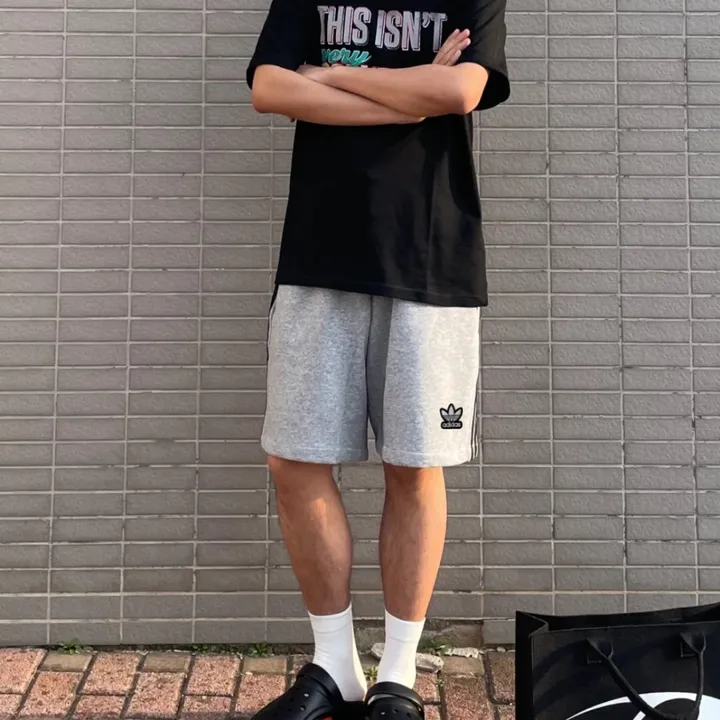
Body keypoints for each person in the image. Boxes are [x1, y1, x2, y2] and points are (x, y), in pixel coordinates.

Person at [245, 0, 509, 716]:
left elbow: (460, 91)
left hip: (429, 256)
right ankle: (335, 665)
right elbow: (269, 86)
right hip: (318, 253)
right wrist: (409, 92)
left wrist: (329, 76)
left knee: (413, 465)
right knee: (294, 461)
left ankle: (398, 672)